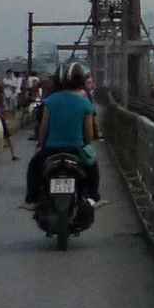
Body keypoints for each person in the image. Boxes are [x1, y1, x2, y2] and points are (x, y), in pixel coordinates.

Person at [25, 64, 102, 208]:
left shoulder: (50, 101)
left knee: (34, 166)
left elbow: (43, 128)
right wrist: (87, 145)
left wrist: (41, 144)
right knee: (93, 168)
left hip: (51, 149)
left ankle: (32, 198)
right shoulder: (85, 104)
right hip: (76, 150)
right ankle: (93, 197)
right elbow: (89, 135)